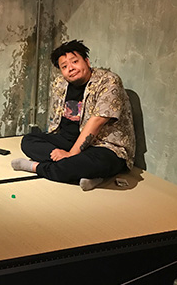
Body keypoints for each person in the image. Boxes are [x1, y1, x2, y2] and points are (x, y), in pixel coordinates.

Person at [11, 40, 135, 190]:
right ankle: (89, 174)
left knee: (96, 162)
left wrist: (71, 154)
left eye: (75, 62)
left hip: (103, 146)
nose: (70, 68)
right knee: (28, 141)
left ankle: (35, 167)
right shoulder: (60, 83)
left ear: (87, 61)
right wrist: (65, 152)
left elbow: (97, 121)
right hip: (68, 140)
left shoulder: (108, 81)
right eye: (64, 66)